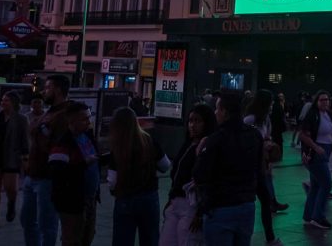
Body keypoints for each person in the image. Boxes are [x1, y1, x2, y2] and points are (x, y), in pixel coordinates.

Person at [193, 90, 265, 246]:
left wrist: (200, 154)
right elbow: (260, 173)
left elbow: (199, 175)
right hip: (246, 205)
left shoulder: (216, 139)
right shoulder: (254, 136)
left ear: (224, 112)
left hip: (220, 206)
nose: (215, 113)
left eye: (218, 109)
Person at [105, 107, 171, 246]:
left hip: (125, 198)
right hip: (149, 196)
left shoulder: (117, 146)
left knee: (122, 240)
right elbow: (165, 165)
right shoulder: (149, 141)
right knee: (150, 238)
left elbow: (112, 181)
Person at [22, 73, 70, 246]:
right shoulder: (50, 112)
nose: (44, 91)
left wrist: (40, 131)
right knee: (27, 220)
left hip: (47, 179)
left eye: (48, 88)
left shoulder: (63, 115)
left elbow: (56, 146)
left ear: (57, 90)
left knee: (46, 225)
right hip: (32, 175)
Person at [160, 104, 217, 246]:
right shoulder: (188, 144)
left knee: (187, 240)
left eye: (198, 121)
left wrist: (200, 211)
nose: (193, 125)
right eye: (191, 121)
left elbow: (207, 179)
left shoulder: (206, 146)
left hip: (191, 204)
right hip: (176, 201)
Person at [49, 102, 100, 246]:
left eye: (89, 117)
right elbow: (58, 173)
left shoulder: (88, 136)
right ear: (71, 121)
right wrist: (84, 164)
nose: (88, 122)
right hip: (72, 201)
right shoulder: (63, 143)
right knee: (72, 238)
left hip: (90, 198)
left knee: (87, 235)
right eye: (84, 119)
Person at [0, 90, 29, 230]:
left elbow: (25, 140)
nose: (3, 102)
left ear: (14, 102)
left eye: (6, 100)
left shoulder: (21, 119)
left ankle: (11, 204)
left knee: (11, 188)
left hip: (11, 157)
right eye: (2, 100)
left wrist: (25, 157)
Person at [244, 90, 284, 243]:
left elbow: (266, 136)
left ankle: (270, 236)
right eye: (271, 103)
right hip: (250, 166)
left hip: (262, 164)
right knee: (254, 200)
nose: (272, 106)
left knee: (265, 200)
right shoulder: (250, 119)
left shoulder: (265, 119)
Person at [297, 90, 332, 229]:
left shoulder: (327, 115)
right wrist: (316, 147)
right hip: (316, 153)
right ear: (316, 101)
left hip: (325, 150)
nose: (325, 102)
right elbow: (303, 135)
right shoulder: (313, 115)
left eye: (327, 99)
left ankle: (309, 215)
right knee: (326, 184)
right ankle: (318, 216)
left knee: (316, 185)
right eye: (322, 100)